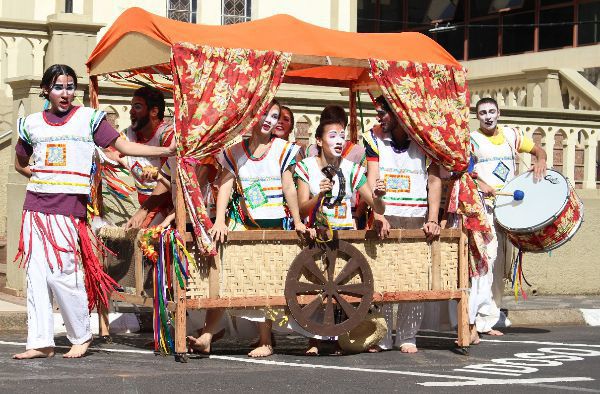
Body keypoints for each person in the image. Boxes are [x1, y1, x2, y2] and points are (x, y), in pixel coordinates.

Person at [12, 64, 175, 360]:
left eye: (71, 86)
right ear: (46, 90)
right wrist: (43, 177)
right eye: (59, 87)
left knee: (65, 272)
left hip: (67, 209)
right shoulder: (32, 123)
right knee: (36, 275)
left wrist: (164, 152)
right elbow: (20, 162)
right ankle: (41, 342)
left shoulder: (89, 119)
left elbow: (123, 147)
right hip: (35, 208)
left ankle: (81, 335)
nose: (65, 93)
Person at [187, 99, 312, 358]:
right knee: (225, 275)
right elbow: (226, 185)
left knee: (265, 280)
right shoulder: (235, 152)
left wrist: (298, 221)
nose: (269, 119)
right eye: (265, 113)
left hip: (273, 227)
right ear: (252, 115)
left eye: (274, 115)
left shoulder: (283, 149)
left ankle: (265, 341)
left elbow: (288, 187)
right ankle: (208, 336)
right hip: (243, 223)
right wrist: (220, 220)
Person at [295, 115, 386, 355]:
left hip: (346, 236)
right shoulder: (306, 167)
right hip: (317, 235)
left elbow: (377, 208)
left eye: (342, 136)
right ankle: (314, 339)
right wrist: (318, 197)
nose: (339, 140)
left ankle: (347, 337)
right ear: (319, 140)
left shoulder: (353, 169)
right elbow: (302, 207)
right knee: (318, 289)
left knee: (346, 289)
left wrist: (378, 195)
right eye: (332, 135)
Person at [364, 95, 442, 353]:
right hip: (387, 215)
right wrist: (377, 213)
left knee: (414, 276)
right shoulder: (374, 138)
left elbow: (433, 181)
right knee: (383, 275)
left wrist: (432, 219)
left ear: (400, 113)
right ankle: (383, 335)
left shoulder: (424, 140)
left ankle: (408, 335)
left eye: (383, 113)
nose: (379, 117)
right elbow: (372, 176)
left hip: (416, 217)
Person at [468, 97, 547, 344]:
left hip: (510, 207)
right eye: (483, 113)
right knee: (488, 259)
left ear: (499, 112)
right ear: (477, 116)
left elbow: (537, 149)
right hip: (485, 207)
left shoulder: (512, 135)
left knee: (502, 262)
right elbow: (467, 171)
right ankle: (480, 319)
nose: (488, 116)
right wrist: (483, 185)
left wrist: (541, 159)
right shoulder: (472, 140)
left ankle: (492, 314)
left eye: (492, 111)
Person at [117, 87, 174, 229]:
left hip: (172, 211)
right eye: (131, 107)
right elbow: (109, 151)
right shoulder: (128, 135)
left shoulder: (168, 136)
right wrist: (121, 159)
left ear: (154, 112)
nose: (131, 112)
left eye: (137, 107)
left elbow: (172, 179)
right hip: (147, 210)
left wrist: (143, 210)